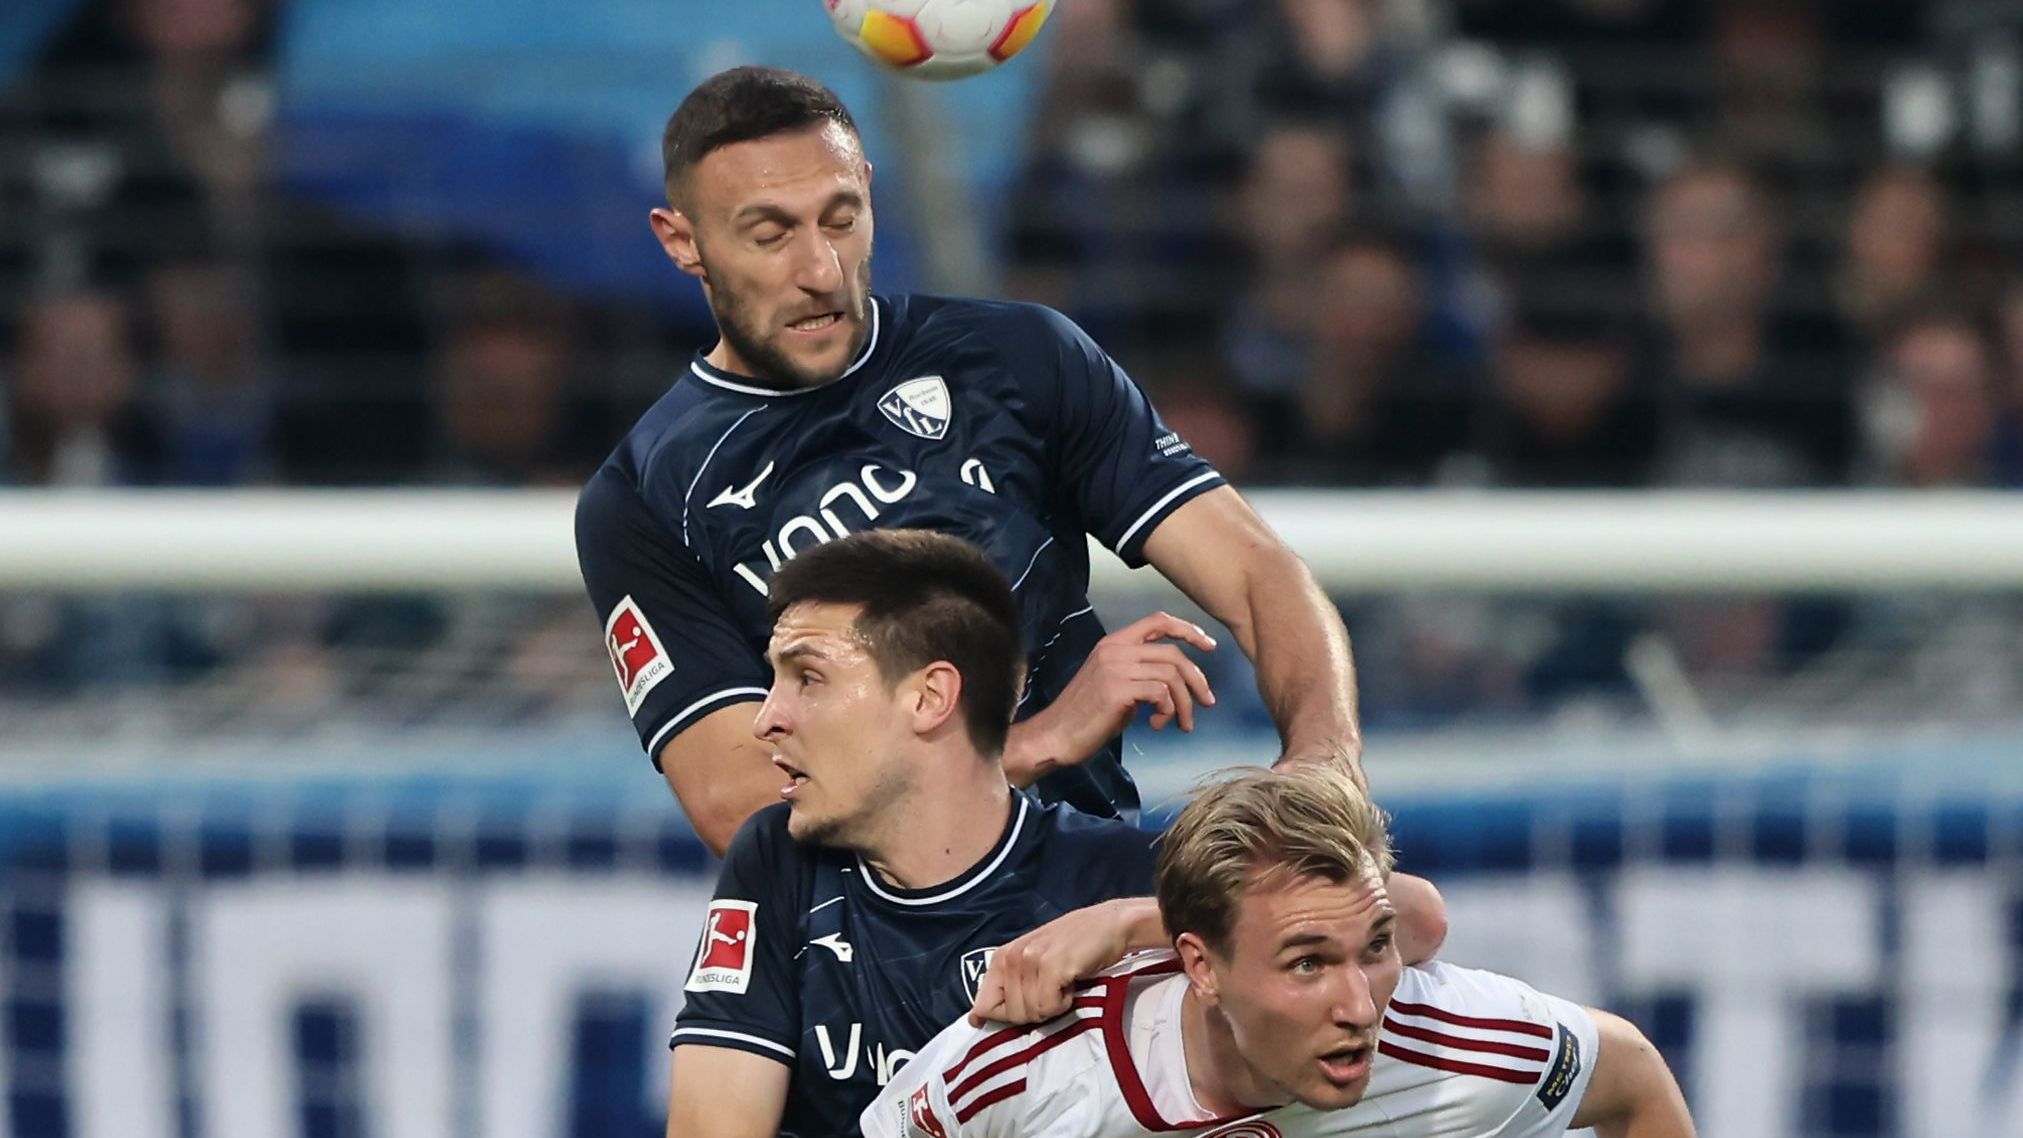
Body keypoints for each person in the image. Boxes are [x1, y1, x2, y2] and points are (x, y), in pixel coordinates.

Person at [575, 65, 1365, 855]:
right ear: (683, 241)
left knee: (1400, 918)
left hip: (1084, 898)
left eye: (840, 219)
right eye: (770, 234)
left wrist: (1322, 760)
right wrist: (1039, 741)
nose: (819, 271)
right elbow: (736, 806)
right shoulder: (644, 497)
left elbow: (1258, 573)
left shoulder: (1016, 357)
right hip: (865, 954)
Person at [866, 765, 1697, 1138]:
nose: (1358, 1005)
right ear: (1201, 967)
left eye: (1372, 949)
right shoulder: (1025, 1070)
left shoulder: (1448, 1046)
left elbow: (1630, 1084)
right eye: (1306, 963)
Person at [665, 529, 1169, 1138]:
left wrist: (1132, 924)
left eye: (809, 678)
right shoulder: (780, 861)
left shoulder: (1126, 880)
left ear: (930, 697)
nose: (766, 718)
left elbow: (1302, 941)